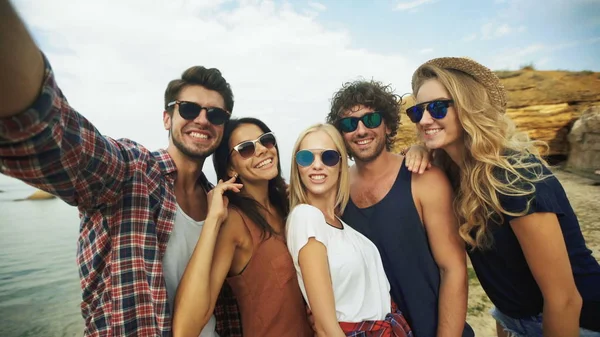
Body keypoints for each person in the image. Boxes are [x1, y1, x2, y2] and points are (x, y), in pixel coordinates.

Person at [0, 1, 241, 335]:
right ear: (167, 117)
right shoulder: (131, 172)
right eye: (189, 108)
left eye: (216, 114)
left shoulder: (221, 202)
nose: (202, 119)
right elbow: (53, 137)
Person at [407, 57, 600, 337]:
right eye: (417, 111)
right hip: (514, 318)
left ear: (469, 107)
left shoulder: (515, 177)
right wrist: (418, 149)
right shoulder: (454, 174)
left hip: (574, 322)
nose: (424, 120)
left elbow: (564, 299)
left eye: (437, 107)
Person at [326, 80, 473, 337]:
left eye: (370, 120)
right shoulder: (337, 193)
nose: (360, 130)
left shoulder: (424, 178)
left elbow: (453, 269)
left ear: (388, 125)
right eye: (349, 124)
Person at [173, 117, 313, 337]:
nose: (261, 151)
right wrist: (213, 220)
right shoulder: (234, 223)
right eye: (246, 149)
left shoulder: (288, 207)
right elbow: (185, 329)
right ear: (230, 167)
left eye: (266, 141)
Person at [286, 123, 413, 337]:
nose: (317, 165)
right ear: (297, 166)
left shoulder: (342, 225)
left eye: (328, 157)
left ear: (341, 164)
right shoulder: (306, 217)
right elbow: (326, 327)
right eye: (306, 158)